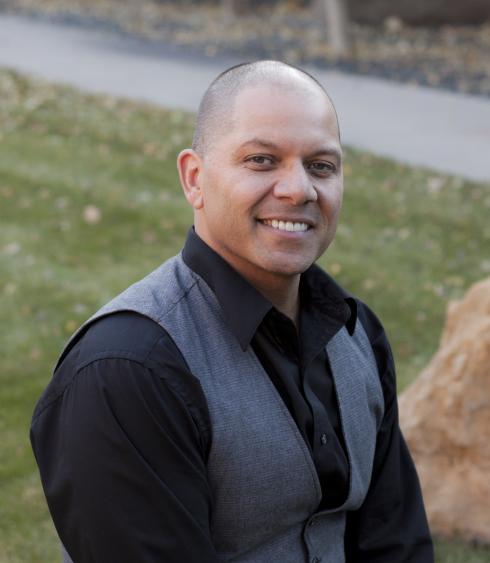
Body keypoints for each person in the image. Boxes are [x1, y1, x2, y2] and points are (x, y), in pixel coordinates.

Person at [31, 60, 434, 563]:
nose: (299, 189)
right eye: (261, 160)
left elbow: (396, 542)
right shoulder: (125, 371)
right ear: (194, 178)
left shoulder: (357, 335)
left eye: (321, 166)